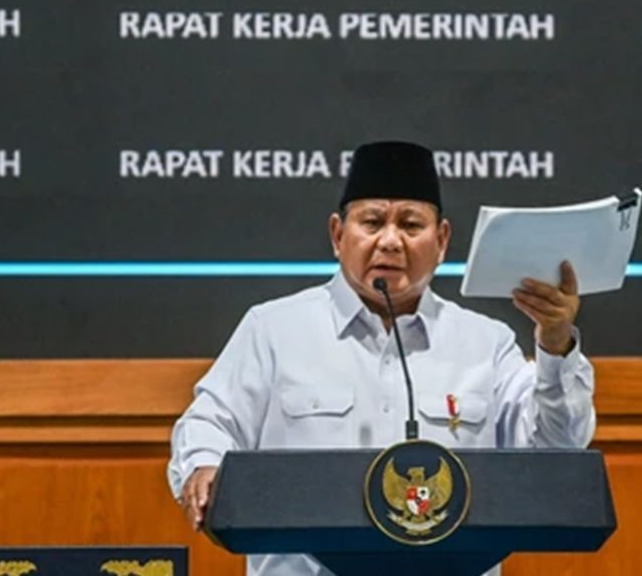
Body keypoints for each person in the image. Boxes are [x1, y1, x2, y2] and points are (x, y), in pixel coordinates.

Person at [168, 140, 596, 576]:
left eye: (411, 225)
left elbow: (557, 451)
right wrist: (203, 465)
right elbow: (209, 421)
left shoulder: (486, 343)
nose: (390, 241)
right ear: (338, 235)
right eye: (372, 222)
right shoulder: (274, 330)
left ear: (442, 240)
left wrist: (555, 345)